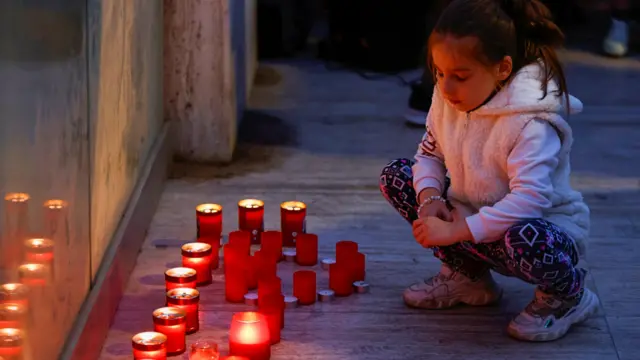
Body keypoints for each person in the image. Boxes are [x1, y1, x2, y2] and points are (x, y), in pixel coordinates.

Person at [380, 0, 598, 342]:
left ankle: (567, 296)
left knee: (527, 237)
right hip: (472, 222)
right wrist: (430, 197)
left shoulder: (530, 122)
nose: (445, 87)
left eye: (460, 76)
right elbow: (429, 153)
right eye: (438, 73)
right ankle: (468, 277)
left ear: (502, 68)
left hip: (538, 232)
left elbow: (529, 200)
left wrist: (457, 231)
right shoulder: (448, 97)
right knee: (397, 175)